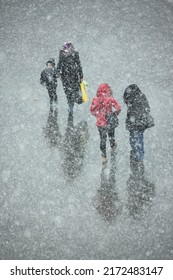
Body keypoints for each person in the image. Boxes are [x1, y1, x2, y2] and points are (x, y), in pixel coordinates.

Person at [123, 84, 154, 166]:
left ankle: (138, 158)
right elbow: (147, 108)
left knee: (134, 140)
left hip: (134, 124)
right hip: (141, 124)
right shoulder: (141, 96)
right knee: (139, 140)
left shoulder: (132, 99)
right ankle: (139, 157)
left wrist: (130, 122)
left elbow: (130, 114)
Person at [90, 83, 121, 163]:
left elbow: (92, 111)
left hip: (100, 123)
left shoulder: (95, 99)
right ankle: (113, 145)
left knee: (102, 139)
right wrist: (114, 113)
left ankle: (104, 157)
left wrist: (98, 115)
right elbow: (118, 108)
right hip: (109, 121)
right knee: (111, 135)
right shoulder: (110, 99)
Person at [56, 42, 84, 114]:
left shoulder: (75, 54)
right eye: (65, 47)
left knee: (74, 91)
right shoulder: (62, 54)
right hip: (65, 77)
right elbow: (59, 64)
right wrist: (57, 72)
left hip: (74, 76)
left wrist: (81, 76)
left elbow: (79, 65)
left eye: (68, 47)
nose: (66, 49)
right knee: (68, 92)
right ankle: (70, 106)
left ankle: (73, 103)